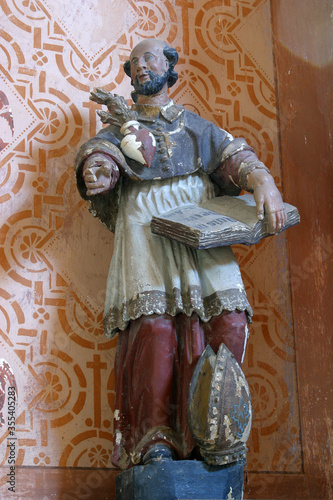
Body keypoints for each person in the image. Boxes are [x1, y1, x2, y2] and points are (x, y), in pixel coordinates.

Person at [75, 39, 286, 470]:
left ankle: (215, 435)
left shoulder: (194, 125)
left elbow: (232, 153)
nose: (140, 67)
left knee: (227, 319)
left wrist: (263, 180)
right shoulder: (120, 124)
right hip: (145, 227)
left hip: (198, 225)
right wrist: (97, 168)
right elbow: (102, 153)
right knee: (154, 328)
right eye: (133, 62)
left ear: (170, 68)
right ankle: (154, 440)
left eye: (149, 58)